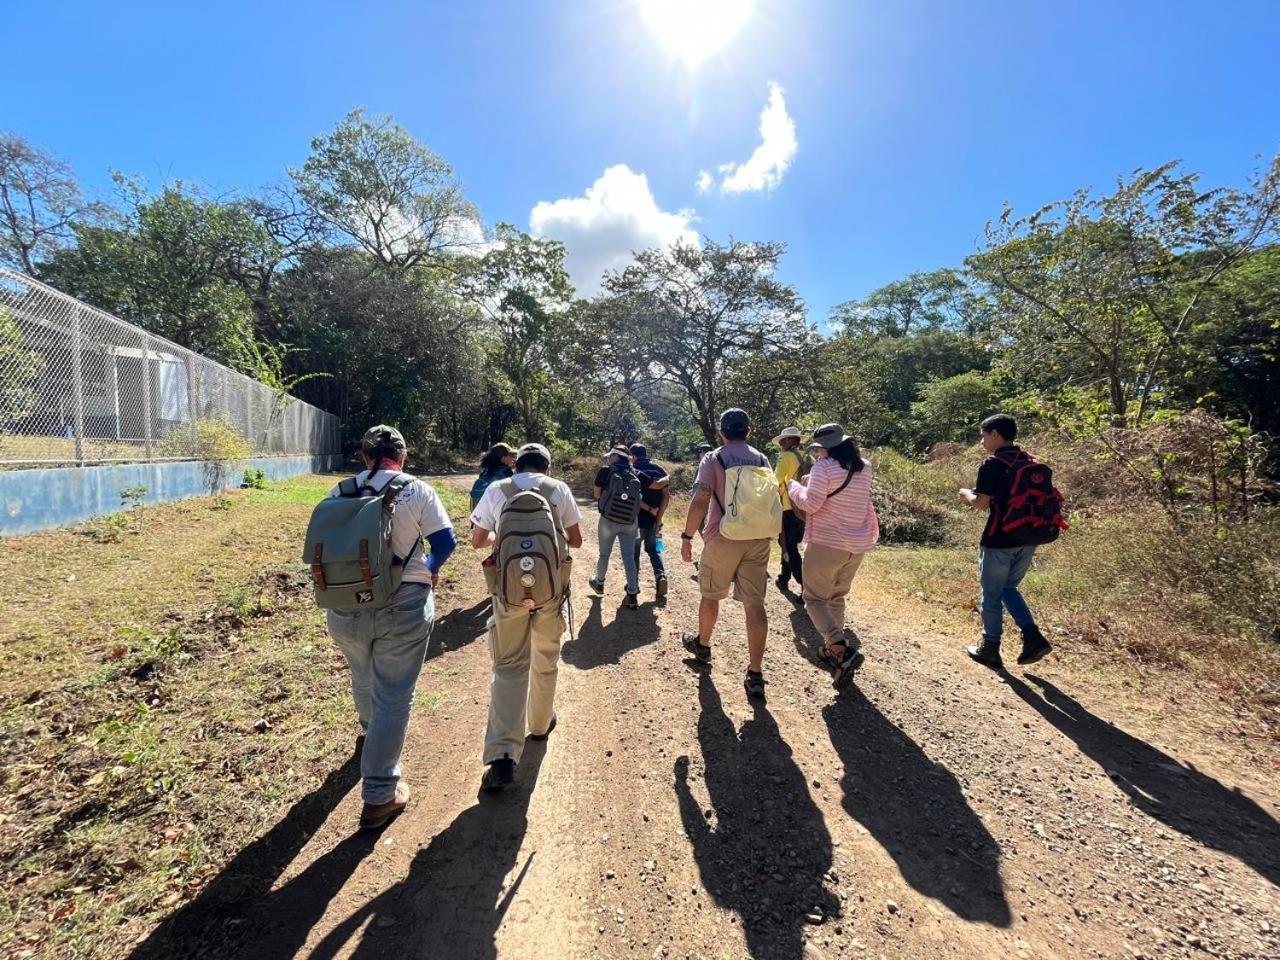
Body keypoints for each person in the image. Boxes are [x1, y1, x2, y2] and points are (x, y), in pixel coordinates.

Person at [324, 425, 457, 829]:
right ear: (401, 457)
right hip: (403, 604)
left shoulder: (339, 492)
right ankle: (380, 794)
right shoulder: (417, 490)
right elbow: (446, 542)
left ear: (365, 457)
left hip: (345, 606)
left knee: (362, 673)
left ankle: (369, 733)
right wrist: (429, 570)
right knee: (394, 694)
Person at [470, 442, 583, 790]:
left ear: (516, 466)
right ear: (547, 467)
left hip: (508, 592)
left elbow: (477, 540)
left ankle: (503, 755)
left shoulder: (497, 489)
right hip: (550, 590)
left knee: (508, 666)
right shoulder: (558, 489)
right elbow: (575, 541)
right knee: (545, 657)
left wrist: (504, 537)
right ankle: (538, 725)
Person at [679, 408, 778, 700]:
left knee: (710, 595)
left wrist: (687, 536)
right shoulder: (762, 458)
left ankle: (704, 646)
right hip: (758, 538)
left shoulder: (713, 457)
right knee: (755, 604)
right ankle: (756, 673)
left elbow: (701, 498)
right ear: (749, 430)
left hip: (722, 536)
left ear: (722, 432)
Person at [958, 414, 1053, 670]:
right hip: (1029, 538)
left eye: (983, 435)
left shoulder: (993, 464)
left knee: (991, 594)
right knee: (1008, 588)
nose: (982, 441)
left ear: (996, 435)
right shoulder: (1031, 462)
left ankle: (990, 647)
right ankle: (1032, 637)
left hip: (999, 538)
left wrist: (966, 493)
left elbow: (981, 504)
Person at [787, 423, 879, 688]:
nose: (817, 455)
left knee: (814, 598)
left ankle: (840, 646)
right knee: (836, 597)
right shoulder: (865, 466)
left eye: (818, 450)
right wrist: (809, 484)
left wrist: (794, 487)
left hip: (827, 543)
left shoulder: (823, 468)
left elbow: (810, 503)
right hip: (856, 546)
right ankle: (835, 655)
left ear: (827, 449)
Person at [588, 446, 644, 609]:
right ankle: (632, 595)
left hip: (608, 520)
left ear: (615, 457)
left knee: (604, 554)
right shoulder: (636, 473)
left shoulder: (605, 471)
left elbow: (597, 495)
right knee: (628, 558)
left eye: (610, 456)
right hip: (629, 522)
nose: (608, 459)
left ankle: (599, 583)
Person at [629, 443, 671, 600]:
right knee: (653, 550)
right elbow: (666, 496)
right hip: (653, 520)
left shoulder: (633, 471)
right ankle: (661, 576)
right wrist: (658, 519)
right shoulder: (659, 470)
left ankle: (634, 584)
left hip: (635, 521)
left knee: (634, 553)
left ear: (633, 456)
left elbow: (634, 497)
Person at [773, 425, 808, 594]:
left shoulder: (785, 456)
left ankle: (805, 586)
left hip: (789, 507)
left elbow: (776, 480)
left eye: (782, 441)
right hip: (805, 507)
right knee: (788, 542)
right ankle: (783, 577)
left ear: (788, 440)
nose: (781, 445)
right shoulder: (809, 457)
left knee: (789, 545)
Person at [470, 442, 516, 511]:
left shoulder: (486, 470)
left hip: (476, 510)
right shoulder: (505, 471)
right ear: (503, 457)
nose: (513, 458)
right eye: (511, 455)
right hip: (494, 510)